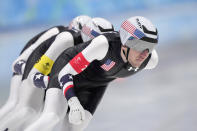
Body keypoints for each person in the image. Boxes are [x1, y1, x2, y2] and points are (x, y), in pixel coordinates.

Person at [24, 16, 159, 131]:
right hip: (67, 72)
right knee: (52, 117)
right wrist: (73, 101)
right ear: (125, 42)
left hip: (97, 84)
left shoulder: (150, 60)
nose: (145, 53)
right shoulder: (104, 45)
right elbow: (65, 73)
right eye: (140, 45)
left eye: (151, 47)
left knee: (76, 126)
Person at [0, 16, 114, 131]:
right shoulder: (65, 39)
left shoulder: (97, 48)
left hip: (51, 73)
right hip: (37, 69)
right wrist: (57, 83)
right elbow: (31, 73)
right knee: (28, 109)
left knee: (50, 115)